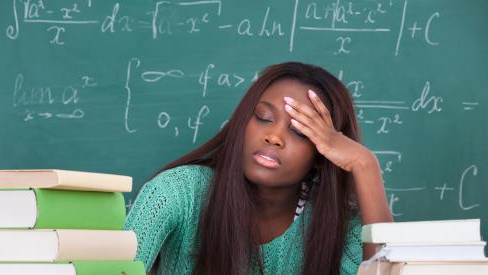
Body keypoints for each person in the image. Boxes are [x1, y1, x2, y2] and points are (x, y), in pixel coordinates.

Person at [124, 62, 393, 275]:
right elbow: (116, 268)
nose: (274, 137)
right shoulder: (176, 192)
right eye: (264, 117)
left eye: (300, 132)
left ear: (321, 155)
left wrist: (365, 164)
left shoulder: (337, 224)